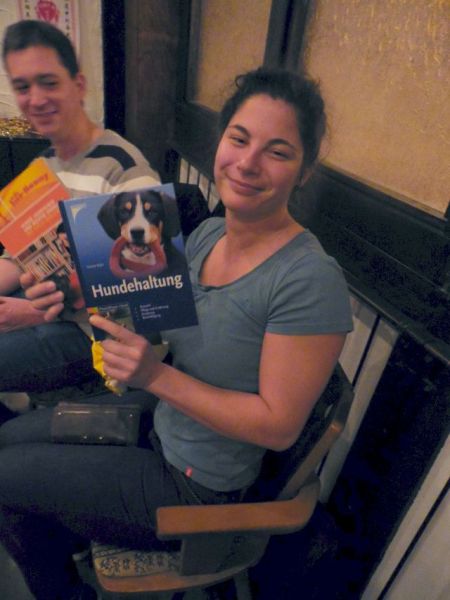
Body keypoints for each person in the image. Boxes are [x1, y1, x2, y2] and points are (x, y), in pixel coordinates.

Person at [0, 67, 353, 600]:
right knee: (8, 443)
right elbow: (151, 314)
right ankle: (65, 540)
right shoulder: (209, 233)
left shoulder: (309, 279)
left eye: (278, 152)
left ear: (304, 171)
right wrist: (63, 303)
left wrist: (155, 376)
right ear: (220, 142)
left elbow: (279, 427)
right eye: (239, 139)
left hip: (197, 484)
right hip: (160, 422)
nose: (248, 163)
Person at [0, 20, 160, 401]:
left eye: (49, 82)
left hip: (100, 340)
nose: (36, 99)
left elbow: (151, 298)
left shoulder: (125, 171)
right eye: (23, 87)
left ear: (79, 85)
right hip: (53, 314)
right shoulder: (42, 167)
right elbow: (16, 258)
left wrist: (35, 312)